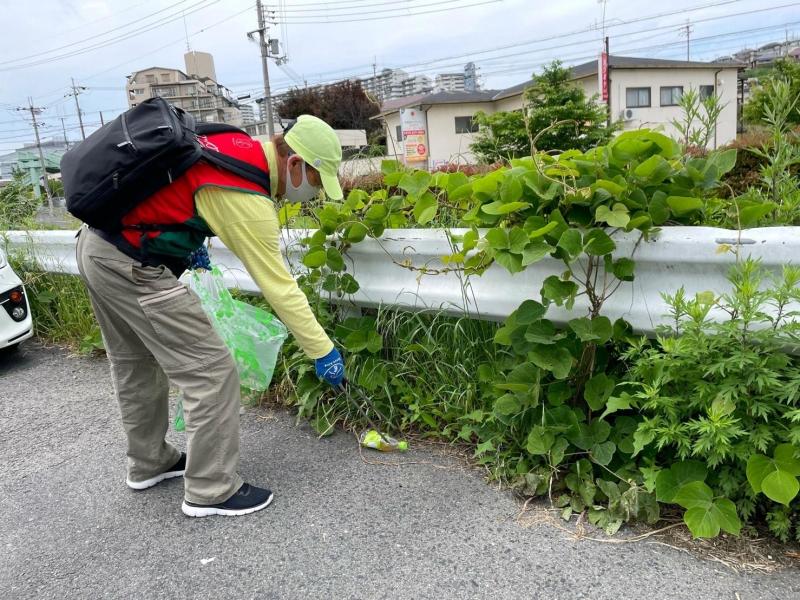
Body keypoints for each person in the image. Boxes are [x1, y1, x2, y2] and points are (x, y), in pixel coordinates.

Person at [75, 115, 346, 518]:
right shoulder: (249, 198)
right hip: (131, 264)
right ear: (294, 164)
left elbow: (180, 192)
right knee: (211, 371)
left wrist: (185, 240)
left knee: (135, 362)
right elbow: (280, 288)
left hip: (97, 245)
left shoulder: (236, 145)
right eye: (317, 182)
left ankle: (149, 463)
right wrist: (322, 350)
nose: (315, 194)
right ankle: (210, 488)